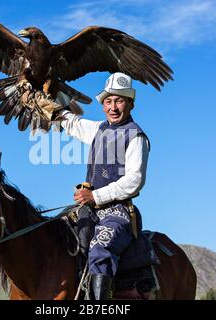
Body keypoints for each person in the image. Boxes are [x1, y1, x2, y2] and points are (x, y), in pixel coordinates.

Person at [58, 72, 150, 299]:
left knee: (99, 249)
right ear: (103, 105)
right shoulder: (98, 130)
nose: (113, 107)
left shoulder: (136, 137)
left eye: (119, 100)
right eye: (108, 101)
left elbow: (134, 181)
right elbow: (71, 122)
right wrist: (45, 100)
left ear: (130, 103)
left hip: (118, 212)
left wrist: (95, 197)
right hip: (89, 210)